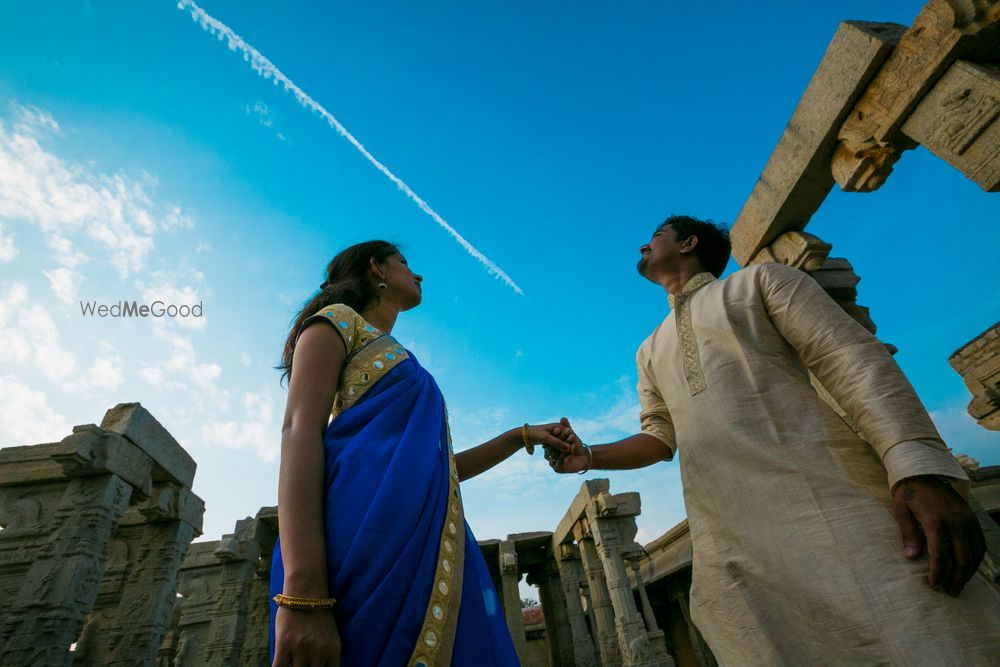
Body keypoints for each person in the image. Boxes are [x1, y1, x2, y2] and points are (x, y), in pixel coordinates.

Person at [547, 215, 1000, 665]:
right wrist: (587, 455)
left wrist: (917, 467)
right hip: (729, 543)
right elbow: (659, 437)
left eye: (655, 237)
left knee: (928, 638)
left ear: (688, 244)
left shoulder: (760, 281)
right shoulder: (648, 350)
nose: (643, 248)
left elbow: (848, 359)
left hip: (836, 510)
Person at [270, 240, 576, 666]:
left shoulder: (400, 357)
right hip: (360, 541)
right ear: (376, 269)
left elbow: (436, 472)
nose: (418, 274)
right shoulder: (338, 323)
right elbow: (298, 431)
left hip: (428, 543)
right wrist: (302, 590)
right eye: (404, 263)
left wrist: (521, 435)